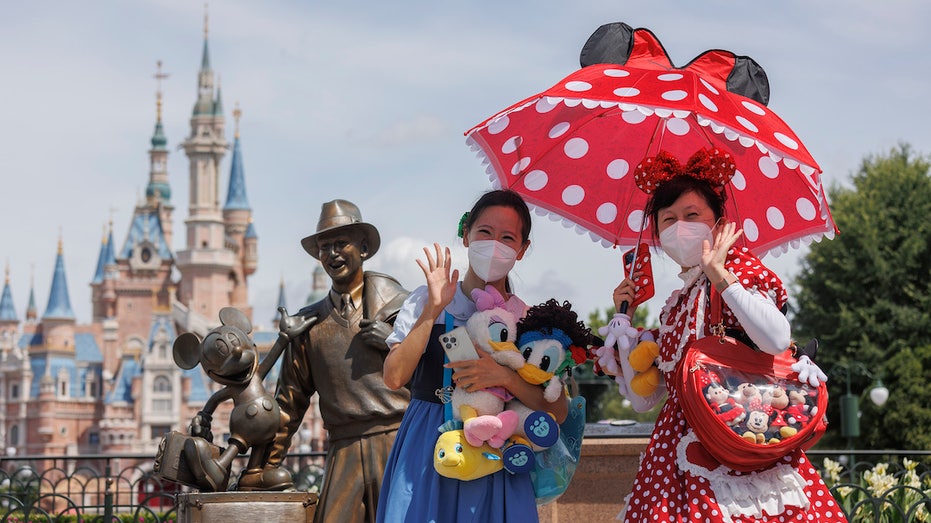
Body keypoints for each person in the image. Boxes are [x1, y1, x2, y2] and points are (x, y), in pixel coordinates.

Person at [605, 148, 841, 522]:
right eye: (668, 219)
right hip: (675, 458)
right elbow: (643, 400)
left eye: (692, 215)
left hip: (740, 440)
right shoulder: (674, 305)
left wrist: (721, 275)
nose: (679, 226)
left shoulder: (741, 271)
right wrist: (625, 322)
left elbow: (777, 338)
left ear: (718, 222)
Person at [377, 189, 569, 522]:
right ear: (466, 234)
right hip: (428, 444)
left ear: (521, 250)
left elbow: (558, 410)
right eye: (485, 232)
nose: (495, 244)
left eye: (508, 237)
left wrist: (506, 378)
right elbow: (394, 376)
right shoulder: (426, 299)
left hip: (495, 452)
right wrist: (432, 310)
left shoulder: (528, 321)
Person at [240, 199, 410, 523]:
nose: (332, 253)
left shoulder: (401, 310)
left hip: (401, 445)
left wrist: (394, 345)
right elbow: (289, 403)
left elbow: (429, 380)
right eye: (324, 246)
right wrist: (262, 469)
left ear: (363, 247)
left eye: (340, 243)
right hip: (344, 452)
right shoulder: (309, 324)